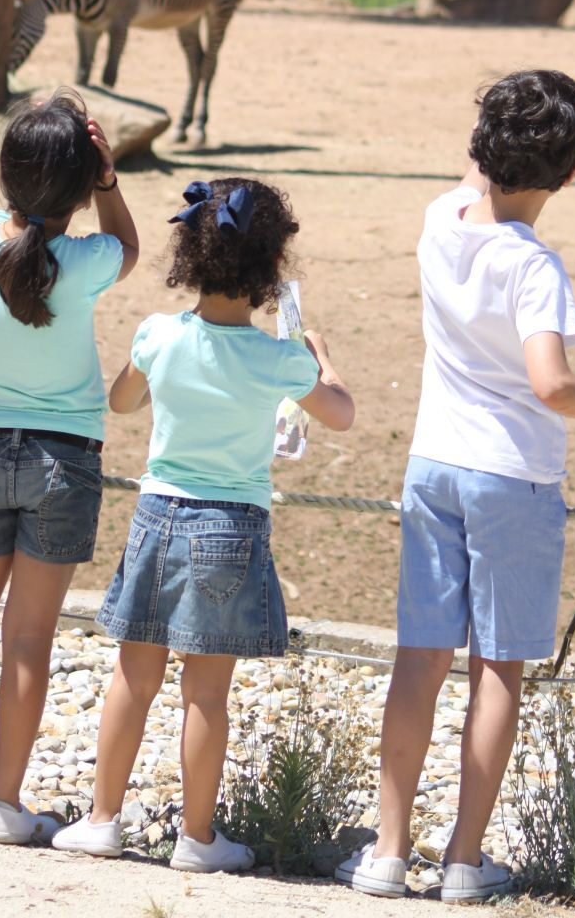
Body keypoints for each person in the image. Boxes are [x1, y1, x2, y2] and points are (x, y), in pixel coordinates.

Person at [337, 69, 575, 904]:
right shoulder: (534, 265)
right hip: (512, 475)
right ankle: (465, 860)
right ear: (572, 175)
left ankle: (388, 851)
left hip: (433, 463)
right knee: (497, 669)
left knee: (418, 659)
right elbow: (550, 383)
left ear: (481, 146)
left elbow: (475, 176)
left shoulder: (440, 220)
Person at [52, 177, 355, 872]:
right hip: (232, 523)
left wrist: (147, 360)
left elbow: (123, 401)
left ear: (189, 255)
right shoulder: (278, 357)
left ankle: (102, 818)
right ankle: (197, 837)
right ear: (271, 267)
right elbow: (340, 412)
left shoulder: (158, 334)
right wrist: (321, 358)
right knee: (206, 694)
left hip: (158, 514)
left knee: (133, 676)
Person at [0, 91, 139, 841]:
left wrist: (52, 132)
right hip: (63, 458)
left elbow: (8, 211)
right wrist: (107, 181)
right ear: (81, 185)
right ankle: (7, 804)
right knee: (27, 639)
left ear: (7, 176)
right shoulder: (89, 259)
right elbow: (129, 246)